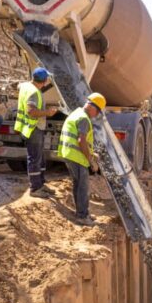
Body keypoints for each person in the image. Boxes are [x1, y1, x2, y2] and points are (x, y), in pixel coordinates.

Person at [58, 93, 105, 226]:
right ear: (91, 106)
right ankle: (82, 216)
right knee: (83, 186)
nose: (96, 114)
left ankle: (81, 212)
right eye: (97, 111)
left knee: (78, 184)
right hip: (76, 156)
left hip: (70, 154)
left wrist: (91, 153)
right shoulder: (84, 118)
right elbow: (81, 140)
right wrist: (90, 160)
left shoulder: (76, 113)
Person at [14, 68, 59, 198]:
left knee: (40, 157)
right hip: (33, 127)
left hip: (32, 127)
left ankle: (41, 183)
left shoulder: (26, 86)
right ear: (44, 81)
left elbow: (19, 85)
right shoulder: (34, 92)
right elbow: (31, 111)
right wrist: (48, 112)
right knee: (34, 158)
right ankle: (35, 188)